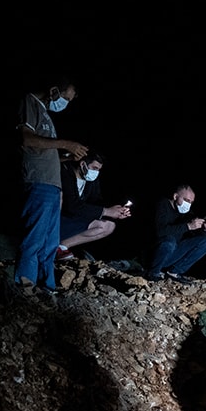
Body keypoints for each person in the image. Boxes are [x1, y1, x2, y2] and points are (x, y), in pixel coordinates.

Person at [14, 76, 87, 291]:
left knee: (50, 242)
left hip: (53, 185)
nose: (65, 103)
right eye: (65, 97)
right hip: (38, 181)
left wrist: (66, 157)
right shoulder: (29, 102)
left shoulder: (46, 114)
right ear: (54, 89)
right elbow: (27, 139)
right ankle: (25, 285)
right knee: (35, 236)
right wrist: (65, 143)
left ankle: (47, 285)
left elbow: (45, 151)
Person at [57, 150, 131, 261]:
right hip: (58, 220)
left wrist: (116, 210)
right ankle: (50, 244)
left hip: (74, 219)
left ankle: (62, 246)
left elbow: (96, 201)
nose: (96, 172)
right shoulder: (65, 174)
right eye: (95, 168)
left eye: (99, 170)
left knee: (109, 226)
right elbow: (71, 206)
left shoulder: (90, 180)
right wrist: (106, 211)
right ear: (83, 164)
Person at [146, 184, 206, 284]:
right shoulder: (162, 205)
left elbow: (194, 236)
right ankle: (153, 272)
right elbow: (159, 232)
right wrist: (188, 226)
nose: (188, 204)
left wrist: (204, 228)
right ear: (175, 196)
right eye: (186, 200)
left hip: (171, 254)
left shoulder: (186, 213)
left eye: (191, 202)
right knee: (170, 240)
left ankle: (174, 272)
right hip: (153, 254)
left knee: (205, 242)